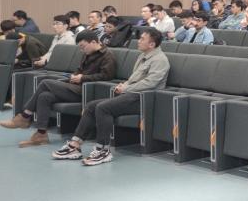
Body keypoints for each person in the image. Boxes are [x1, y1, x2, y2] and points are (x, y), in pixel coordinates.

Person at [50, 28, 170, 165]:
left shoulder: (160, 60)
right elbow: (135, 79)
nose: (138, 41)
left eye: (142, 39)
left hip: (143, 99)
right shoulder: (142, 56)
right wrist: (124, 85)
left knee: (103, 108)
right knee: (91, 106)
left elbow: (151, 83)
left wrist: (126, 88)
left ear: (152, 44)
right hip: (131, 94)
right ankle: (74, 145)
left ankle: (103, 150)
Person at [1, 30, 117, 147]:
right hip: (76, 87)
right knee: (44, 96)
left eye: (83, 46)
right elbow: (79, 70)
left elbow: (107, 76)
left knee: (45, 83)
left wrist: (83, 78)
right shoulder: (87, 54)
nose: (82, 50)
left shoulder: (107, 55)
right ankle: (41, 134)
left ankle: (25, 116)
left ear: (93, 42)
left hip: (87, 92)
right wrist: (74, 76)